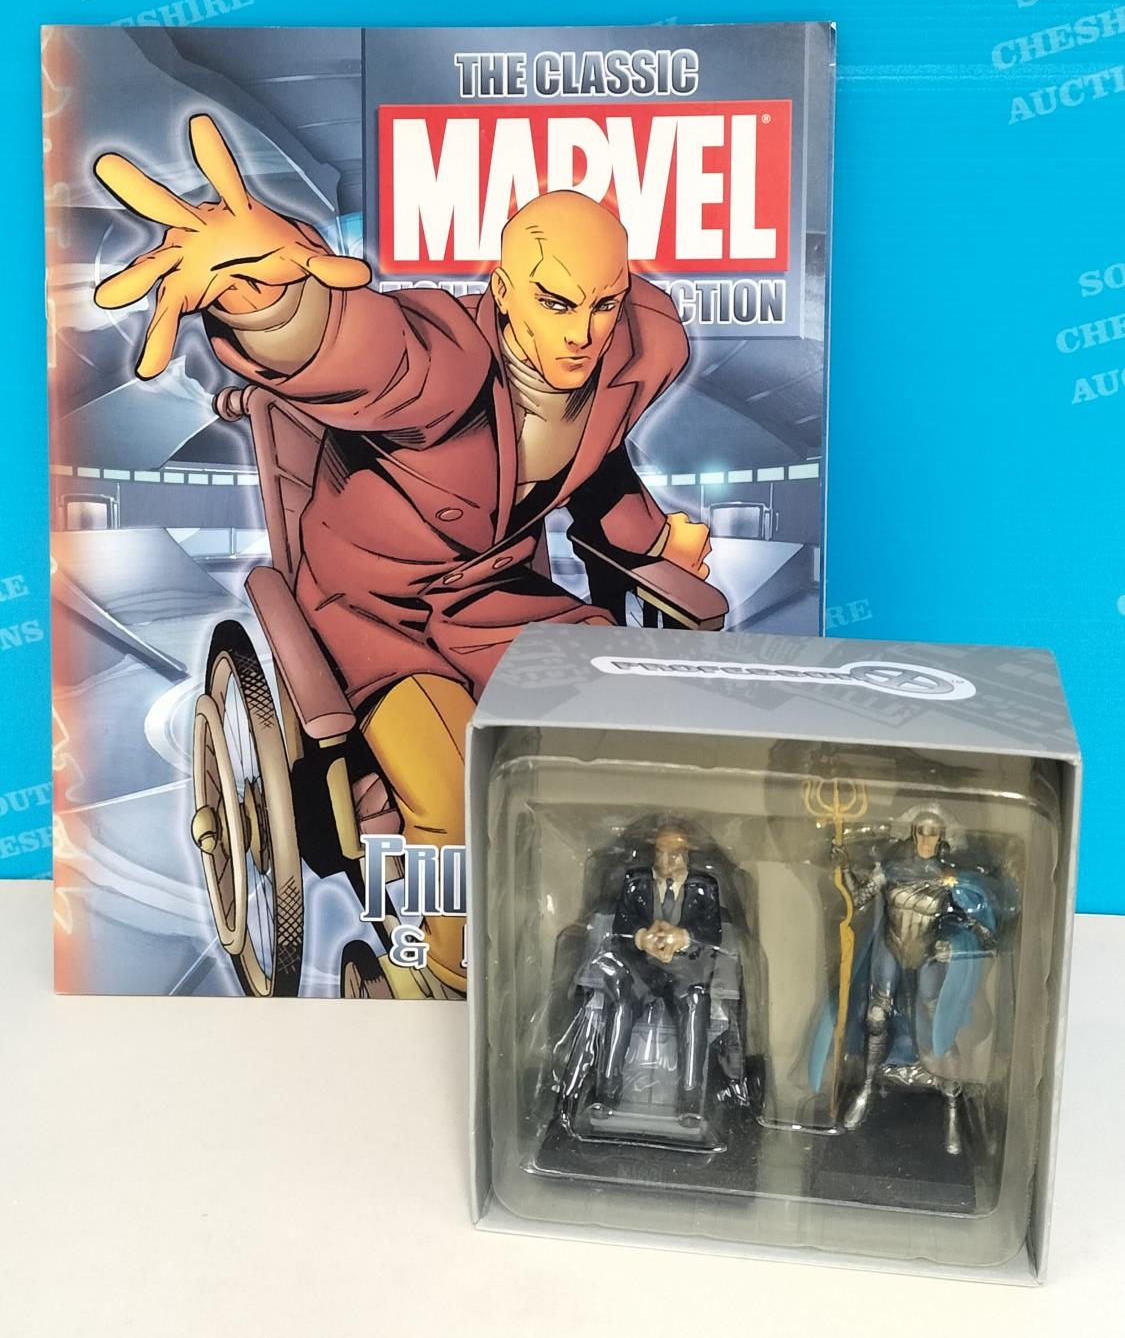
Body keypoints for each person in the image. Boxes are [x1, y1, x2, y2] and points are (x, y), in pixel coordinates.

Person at [92, 115, 713, 991]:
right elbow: (369, 352)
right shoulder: (449, 361)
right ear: (504, 291)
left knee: (609, 760)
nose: (582, 331)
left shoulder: (634, 352)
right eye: (555, 302)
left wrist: (647, 538)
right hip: (376, 610)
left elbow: (598, 461)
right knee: (452, 794)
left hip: (500, 600)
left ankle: (581, 943)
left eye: (602, 304)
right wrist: (271, 303)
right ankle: (450, 978)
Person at [837, 811, 997, 1155]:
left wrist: (959, 943)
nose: (926, 839)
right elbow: (859, 899)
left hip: (926, 951)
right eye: (921, 832)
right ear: (912, 833)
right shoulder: (891, 869)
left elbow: (977, 924)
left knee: (939, 1023)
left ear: (941, 837)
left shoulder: (948, 879)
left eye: (933, 833)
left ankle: (952, 1108)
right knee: (876, 1016)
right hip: (891, 946)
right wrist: (845, 866)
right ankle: (866, 1087)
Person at [592, 821, 722, 1125]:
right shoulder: (635, 881)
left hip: (686, 968)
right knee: (621, 1004)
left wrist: (682, 937)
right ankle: (606, 1091)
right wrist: (642, 938)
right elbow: (622, 926)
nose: (665, 861)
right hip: (641, 967)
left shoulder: (705, 886)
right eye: (660, 853)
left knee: (695, 1005)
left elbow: (712, 933)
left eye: (674, 854)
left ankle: (690, 1098)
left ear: (687, 854)